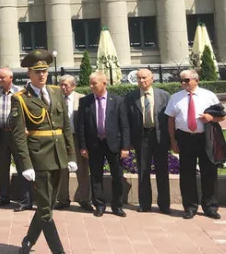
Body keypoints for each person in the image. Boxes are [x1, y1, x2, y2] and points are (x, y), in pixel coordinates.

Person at [11, 50, 76, 254]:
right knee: (46, 209)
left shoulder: (56, 92)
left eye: (45, 71)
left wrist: (71, 155)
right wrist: (26, 164)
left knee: (48, 204)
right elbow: (19, 135)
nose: (42, 75)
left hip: (58, 156)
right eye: (37, 71)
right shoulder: (20, 98)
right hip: (38, 158)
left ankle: (29, 241)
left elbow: (65, 125)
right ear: (29, 73)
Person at [167, 69, 225, 220]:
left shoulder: (209, 95)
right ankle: (190, 207)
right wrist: (173, 140)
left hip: (206, 137)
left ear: (196, 80)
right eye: (181, 80)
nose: (183, 83)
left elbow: (221, 116)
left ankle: (210, 207)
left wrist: (211, 117)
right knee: (186, 173)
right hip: (184, 138)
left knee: (209, 172)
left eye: (186, 80)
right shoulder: (175, 98)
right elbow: (170, 119)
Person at [77, 71, 130, 218]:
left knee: (117, 176)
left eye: (94, 83)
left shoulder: (118, 101)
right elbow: (81, 126)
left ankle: (117, 206)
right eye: (90, 83)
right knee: (95, 176)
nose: (91, 86)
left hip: (114, 145)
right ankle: (99, 205)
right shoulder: (85, 101)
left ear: (104, 83)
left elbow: (124, 126)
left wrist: (125, 147)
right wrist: (83, 146)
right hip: (94, 145)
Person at [124, 68, 171, 214]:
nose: (141, 81)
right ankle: (144, 204)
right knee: (143, 171)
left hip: (159, 137)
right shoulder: (130, 97)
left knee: (162, 171)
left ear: (152, 79)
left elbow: (170, 119)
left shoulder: (164, 96)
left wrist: (171, 139)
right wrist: (128, 142)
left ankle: (164, 205)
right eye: (139, 78)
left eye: (144, 78)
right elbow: (127, 121)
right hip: (141, 137)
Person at [0, 68, 31, 211]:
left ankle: (26, 200)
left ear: (11, 78)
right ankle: (4, 197)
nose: (0, 80)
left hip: (17, 135)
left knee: (22, 167)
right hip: (1, 135)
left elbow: (28, 111)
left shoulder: (21, 92)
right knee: (2, 168)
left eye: (2, 78)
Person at [55, 75, 92, 211]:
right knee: (62, 169)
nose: (63, 87)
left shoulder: (82, 98)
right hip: (61, 138)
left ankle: (85, 200)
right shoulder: (55, 98)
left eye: (66, 85)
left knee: (82, 169)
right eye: (61, 85)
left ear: (74, 86)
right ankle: (63, 199)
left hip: (77, 138)